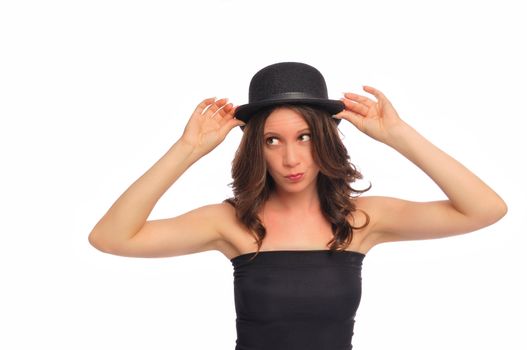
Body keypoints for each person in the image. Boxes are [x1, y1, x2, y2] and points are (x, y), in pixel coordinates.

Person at [88, 62, 508, 349]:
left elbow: (485, 209)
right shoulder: (230, 223)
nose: (291, 159)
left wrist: (397, 134)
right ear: (257, 148)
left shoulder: (362, 221)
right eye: (273, 140)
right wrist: (187, 149)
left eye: (304, 136)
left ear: (324, 139)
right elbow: (110, 237)